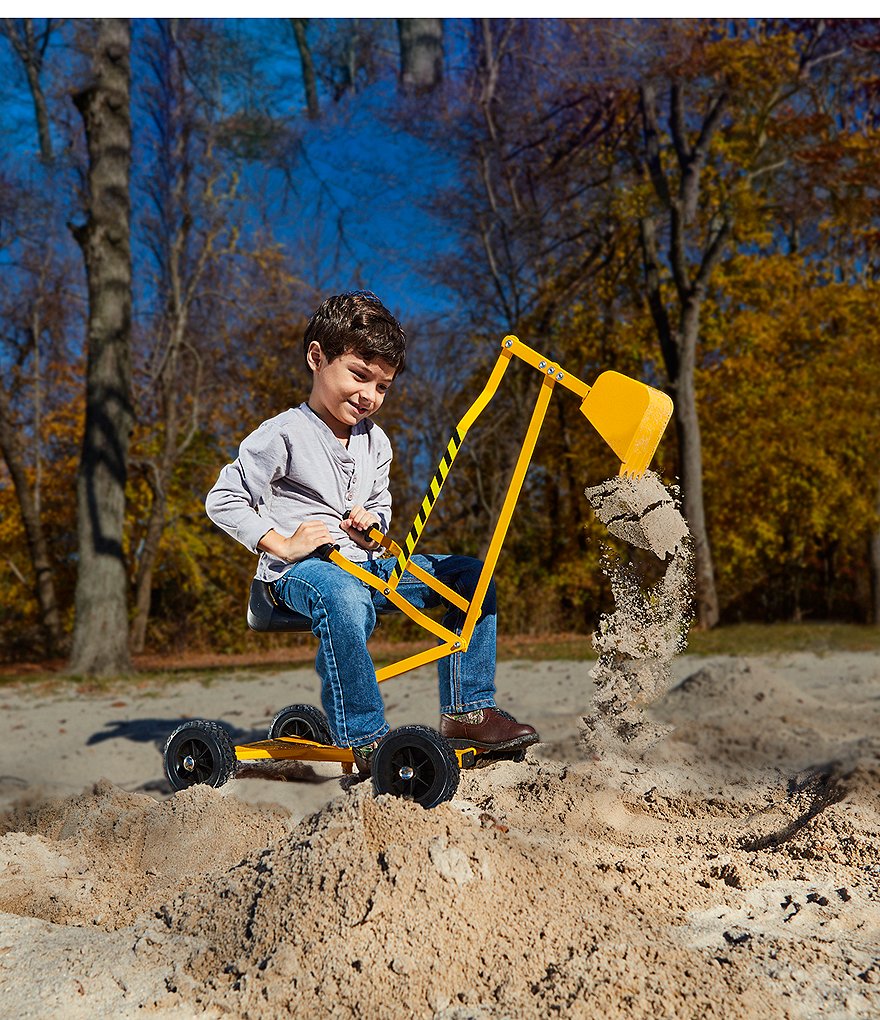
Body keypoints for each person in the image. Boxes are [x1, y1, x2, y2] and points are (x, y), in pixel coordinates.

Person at [206, 290, 538, 774]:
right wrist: (282, 543)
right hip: (297, 574)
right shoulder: (282, 434)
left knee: (472, 577)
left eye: (382, 386)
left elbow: (380, 506)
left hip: (366, 566)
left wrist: (373, 528)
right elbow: (223, 499)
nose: (369, 396)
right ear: (317, 358)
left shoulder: (376, 442)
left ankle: (468, 711)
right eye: (359, 376)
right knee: (342, 595)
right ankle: (365, 738)